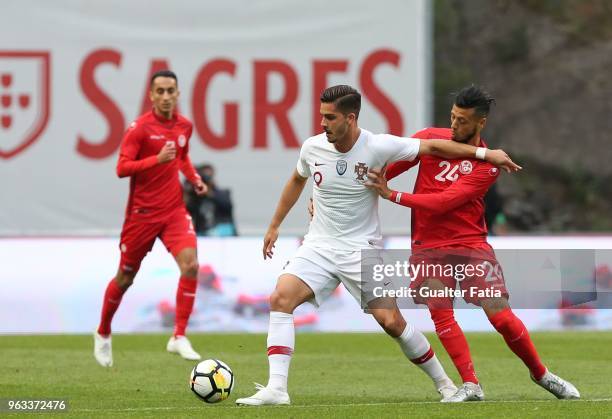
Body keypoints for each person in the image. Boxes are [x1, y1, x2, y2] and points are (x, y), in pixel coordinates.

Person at [235, 84, 521, 406]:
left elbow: (435, 148)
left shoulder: (379, 146)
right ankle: (277, 389)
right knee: (281, 299)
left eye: (330, 118)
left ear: (351, 118)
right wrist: (275, 225)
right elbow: (297, 180)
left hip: (362, 249)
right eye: (321, 117)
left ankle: (444, 384)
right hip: (319, 245)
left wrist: (485, 154)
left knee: (391, 322)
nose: (323, 124)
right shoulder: (312, 148)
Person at [365, 85, 580, 401]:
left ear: (481, 123)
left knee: (500, 316)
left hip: (470, 245)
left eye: (462, 121)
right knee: (441, 313)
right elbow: (384, 170)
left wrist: (392, 195)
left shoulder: (489, 166)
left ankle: (541, 374)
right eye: (452, 117)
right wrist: (352, 190)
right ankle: (471, 385)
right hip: (427, 247)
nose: (454, 126)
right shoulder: (430, 139)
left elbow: (443, 202)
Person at [93, 70, 208, 367]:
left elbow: (181, 156)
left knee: (191, 265)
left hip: (173, 212)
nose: (167, 96)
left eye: (171, 90)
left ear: (178, 93)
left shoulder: (184, 126)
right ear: (152, 95)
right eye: (161, 91)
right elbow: (122, 168)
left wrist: (194, 179)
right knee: (125, 277)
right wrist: (156, 160)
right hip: (141, 216)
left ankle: (178, 336)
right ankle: (104, 332)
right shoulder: (139, 129)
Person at [184, 163, 237, 236]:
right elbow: (187, 213)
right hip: (201, 232)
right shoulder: (195, 197)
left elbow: (227, 206)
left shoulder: (223, 193)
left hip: (222, 231)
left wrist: (210, 192)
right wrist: (188, 193)